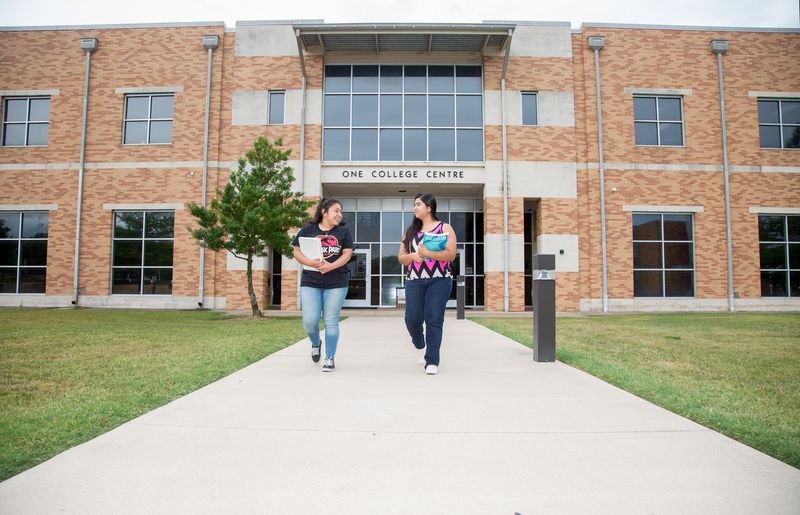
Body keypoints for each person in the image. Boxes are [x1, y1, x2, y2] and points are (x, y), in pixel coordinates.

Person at [397, 193, 457, 375]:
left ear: (429, 208)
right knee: (412, 318)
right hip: (414, 280)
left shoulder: (444, 227)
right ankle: (418, 341)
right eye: (414, 205)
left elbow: (451, 254)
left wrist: (428, 253)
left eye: (418, 204)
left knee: (434, 318)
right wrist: (413, 256)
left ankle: (431, 361)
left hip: (440, 280)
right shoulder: (410, 232)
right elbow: (401, 258)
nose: (414, 208)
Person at [292, 198, 353, 372]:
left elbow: (347, 254)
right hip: (311, 281)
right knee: (310, 321)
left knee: (331, 321)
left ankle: (329, 358)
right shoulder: (308, 229)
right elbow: (296, 251)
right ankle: (316, 343)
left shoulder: (343, 231)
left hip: (336, 283)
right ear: (324, 211)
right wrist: (312, 264)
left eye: (341, 211)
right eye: (336, 210)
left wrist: (330, 266)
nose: (339, 214)